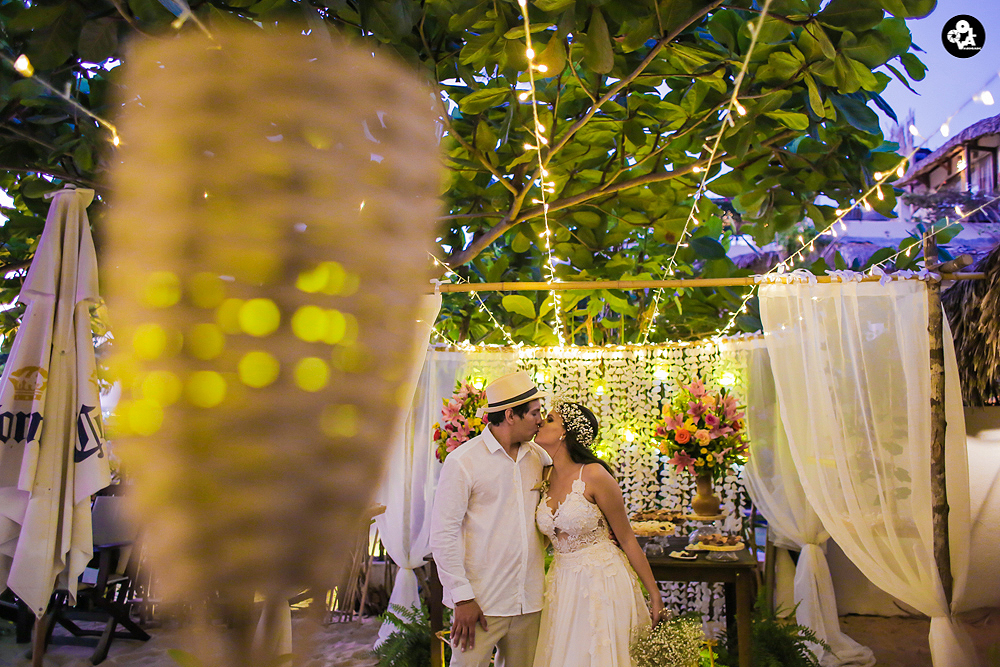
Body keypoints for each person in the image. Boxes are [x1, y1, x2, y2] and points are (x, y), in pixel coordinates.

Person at [430, 370, 549, 667]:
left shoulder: (539, 457)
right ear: (510, 415)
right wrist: (462, 598)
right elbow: (443, 534)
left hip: (529, 601)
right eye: (534, 413)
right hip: (481, 603)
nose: (541, 420)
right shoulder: (463, 461)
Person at [532, 401, 664, 667]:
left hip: (601, 580)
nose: (540, 422)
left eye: (549, 419)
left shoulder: (594, 475)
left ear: (565, 432)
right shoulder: (541, 474)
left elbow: (627, 539)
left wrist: (655, 594)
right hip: (561, 582)